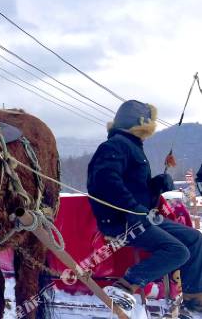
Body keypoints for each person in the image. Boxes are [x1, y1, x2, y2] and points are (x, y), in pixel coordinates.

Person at [86, 100, 202, 313]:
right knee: (177, 251)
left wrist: (155, 185)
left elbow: (135, 189)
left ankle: (194, 296)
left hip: (140, 218)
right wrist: (133, 209)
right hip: (121, 222)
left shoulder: (132, 147)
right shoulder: (115, 146)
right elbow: (105, 182)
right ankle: (126, 284)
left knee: (195, 238)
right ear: (140, 124)